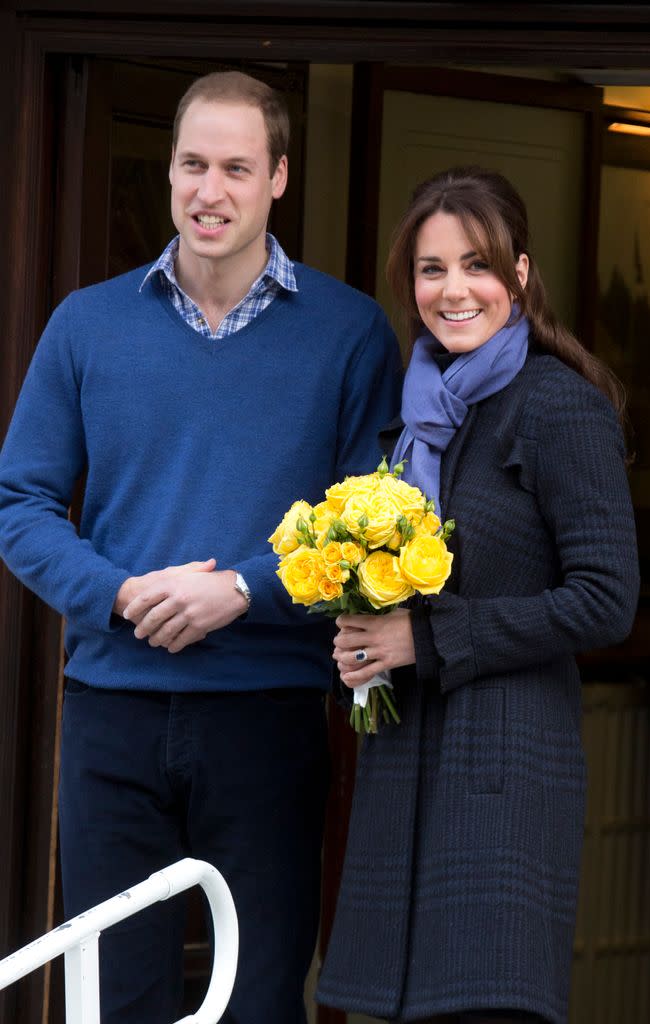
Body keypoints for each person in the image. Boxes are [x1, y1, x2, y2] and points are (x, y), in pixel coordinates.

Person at [0, 71, 401, 1024]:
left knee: (256, 999)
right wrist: (119, 591)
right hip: (112, 714)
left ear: (279, 178)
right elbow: (20, 503)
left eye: (235, 166)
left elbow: (377, 523)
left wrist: (244, 591)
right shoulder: (86, 325)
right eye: (191, 164)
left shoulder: (348, 334)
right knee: (112, 998)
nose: (208, 190)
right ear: (171, 170)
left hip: (268, 715)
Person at [316, 167, 640, 1024]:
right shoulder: (408, 422)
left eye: (477, 265)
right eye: (431, 268)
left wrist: (427, 639)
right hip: (400, 770)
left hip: (500, 782)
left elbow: (606, 600)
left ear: (521, 275)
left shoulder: (559, 407)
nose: (452, 289)